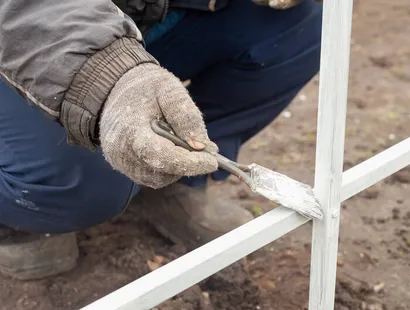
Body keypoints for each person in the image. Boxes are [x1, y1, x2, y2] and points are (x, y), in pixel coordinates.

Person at [0, 0, 323, 280]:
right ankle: (17, 223)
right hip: (23, 33)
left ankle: (174, 182)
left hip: (141, 15)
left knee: (299, 29)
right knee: (80, 181)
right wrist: (104, 73)